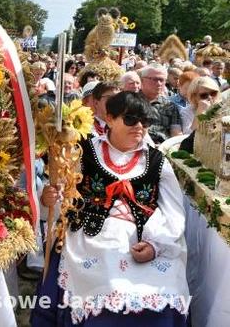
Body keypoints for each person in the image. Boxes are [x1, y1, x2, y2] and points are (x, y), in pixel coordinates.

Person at [32, 91, 189, 326]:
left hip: (145, 236)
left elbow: (174, 212)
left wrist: (156, 246)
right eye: (130, 120)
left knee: (162, 288)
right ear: (110, 118)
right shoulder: (83, 151)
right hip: (90, 234)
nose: (139, 127)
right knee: (105, 282)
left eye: (145, 122)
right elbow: (61, 197)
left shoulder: (157, 160)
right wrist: (48, 198)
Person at [140, 65, 182, 144]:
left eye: (162, 80)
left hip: (162, 148)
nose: (159, 83)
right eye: (154, 79)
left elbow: (176, 134)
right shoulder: (131, 102)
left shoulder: (170, 106)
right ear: (142, 80)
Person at [179, 76, 221, 152]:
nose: (210, 98)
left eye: (213, 93)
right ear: (194, 96)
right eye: (204, 95)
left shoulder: (222, 110)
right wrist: (200, 112)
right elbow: (188, 138)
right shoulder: (186, 112)